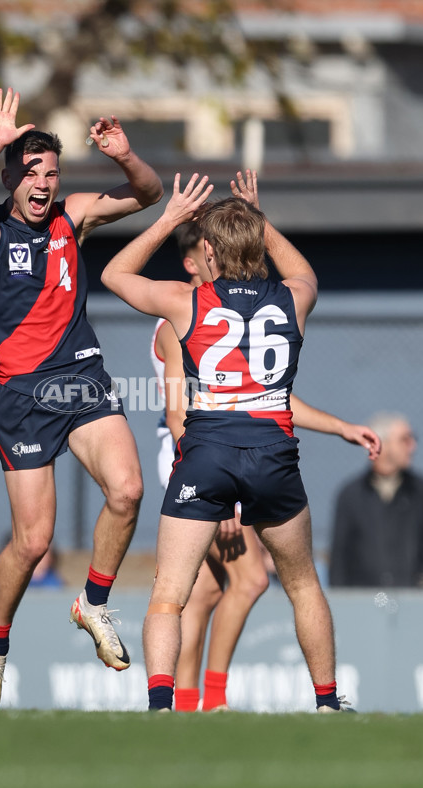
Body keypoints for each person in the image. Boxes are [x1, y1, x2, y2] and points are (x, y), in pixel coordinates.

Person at [0, 87, 163, 710]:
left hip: (83, 380)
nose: (43, 183)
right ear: (10, 176)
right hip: (23, 397)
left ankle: (92, 603)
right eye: (31, 171)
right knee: (32, 543)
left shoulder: (74, 216)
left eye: (52, 173)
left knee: (128, 490)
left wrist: (124, 155)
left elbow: (149, 194)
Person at [102, 167, 352, 712]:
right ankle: (329, 704)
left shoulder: (186, 302)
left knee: (170, 594)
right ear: (260, 243)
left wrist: (168, 217)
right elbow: (304, 271)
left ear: (209, 252)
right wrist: (259, 218)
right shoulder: (294, 298)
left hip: (207, 453)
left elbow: (115, 274)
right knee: (303, 583)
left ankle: (162, 708)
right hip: (274, 453)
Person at [151, 221, 381, 711]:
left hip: (215, 453)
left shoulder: (228, 308)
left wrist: (340, 426)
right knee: (247, 580)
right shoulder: (183, 310)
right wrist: (223, 499)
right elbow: (176, 412)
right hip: (195, 453)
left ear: (212, 253)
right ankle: (208, 700)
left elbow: (267, 397)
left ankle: (186, 703)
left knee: (206, 589)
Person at [330, 412, 423, 588]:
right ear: (382, 443)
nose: (412, 446)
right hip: (364, 606)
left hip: (415, 605)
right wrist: (340, 604)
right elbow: (339, 558)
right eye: (404, 439)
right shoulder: (351, 495)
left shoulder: (422, 493)